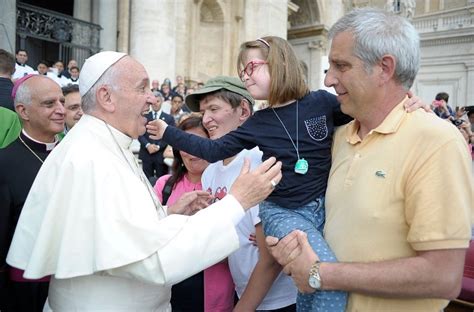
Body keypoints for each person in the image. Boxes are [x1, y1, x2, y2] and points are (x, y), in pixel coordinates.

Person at [147, 35, 424, 311]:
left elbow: (368, 112)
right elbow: (214, 149)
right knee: (328, 281)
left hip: (323, 211)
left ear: (278, 63)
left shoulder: (321, 102)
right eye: (241, 70)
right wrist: (168, 132)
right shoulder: (257, 123)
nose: (245, 75)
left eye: (251, 67)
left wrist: (404, 102)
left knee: (308, 288)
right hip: (284, 212)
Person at [6, 51, 282, 311]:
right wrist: (237, 202)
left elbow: (124, 235)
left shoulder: (104, 145)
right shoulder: (93, 158)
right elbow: (153, 260)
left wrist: (167, 213)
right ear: (106, 97)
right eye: (142, 88)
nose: (152, 99)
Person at [266, 8, 473, 312]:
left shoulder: (436, 141)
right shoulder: (336, 137)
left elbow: (443, 276)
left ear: (384, 68)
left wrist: (320, 274)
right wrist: (293, 248)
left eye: (340, 66)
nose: (327, 79)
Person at [186, 76, 297, 311]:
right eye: (203, 111)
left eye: (214, 108)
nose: (206, 120)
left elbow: (271, 260)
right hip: (243, 293)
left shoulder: (261, 160)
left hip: (279, 301)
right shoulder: (211, 171)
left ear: (244, 110)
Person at [0, 74, 65, 311]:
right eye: (49, 104)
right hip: (27, 286)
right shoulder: (4, 163)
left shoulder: (75, 154)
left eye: (61, 102)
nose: (61, 110)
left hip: (74, 277)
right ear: (23, 111)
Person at [154, 116, 224, 312]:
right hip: (171, 285)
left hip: (216, 286)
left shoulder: (227, 185)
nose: (192, 150)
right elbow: (147, 231)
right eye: (185, 143)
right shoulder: (164, 185)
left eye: (199, 143)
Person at [138, 91, 175, 182]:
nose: (155, 104)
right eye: (153, 102)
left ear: (162, 101)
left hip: (161, 155)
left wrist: (158, 146)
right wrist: (147, 145)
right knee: (146, 181)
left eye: (157, 101)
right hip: (147, 153)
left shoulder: (169, 118)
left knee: (161, 181)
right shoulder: (143, 116)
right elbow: (139, 133)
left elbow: (170, 135)